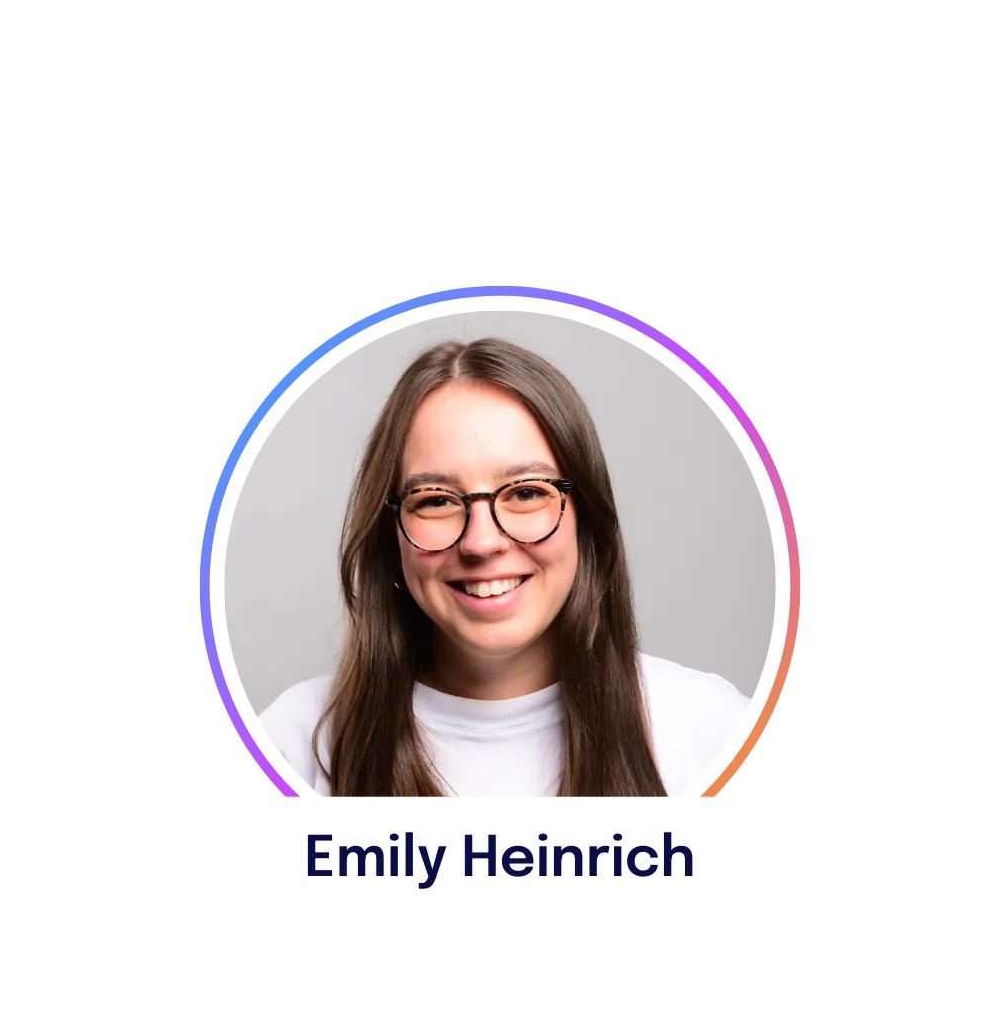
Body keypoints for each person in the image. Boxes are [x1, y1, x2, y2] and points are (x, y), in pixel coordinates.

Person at [255, 337, 755, 796]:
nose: (481, 541)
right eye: (435, 500)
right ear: (391, 533)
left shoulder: (710, 731)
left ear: (587, 519)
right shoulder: (291, 743)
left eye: (527, 492)